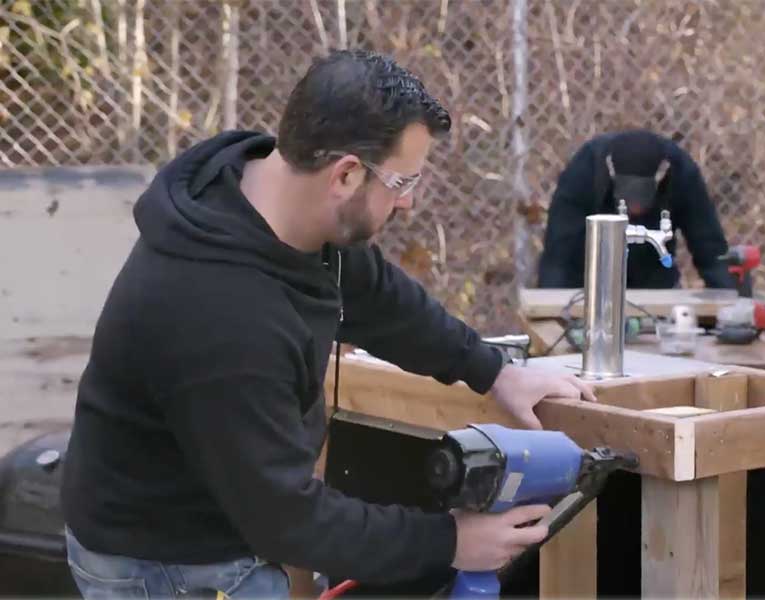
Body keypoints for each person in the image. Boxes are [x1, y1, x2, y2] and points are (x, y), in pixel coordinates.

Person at [61, 50, 596, 599]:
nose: (408, 203)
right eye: (402, 181)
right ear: (345, 174)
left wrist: (495, 372)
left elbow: (380, 300)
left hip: (233, 510)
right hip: (167, 561)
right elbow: (285, 517)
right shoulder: (221, 316)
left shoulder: (279, 209)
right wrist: (449, 542)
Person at [537, 129, 737, 290]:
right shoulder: (585, 170)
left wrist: (733, 308)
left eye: (642, 199)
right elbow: (558, 257)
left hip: (655, 284)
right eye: (629, 200)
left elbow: (710, 248)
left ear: (661, 178)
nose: (636, 209)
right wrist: (554, 315)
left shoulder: (681, 173)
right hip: (585, 283)